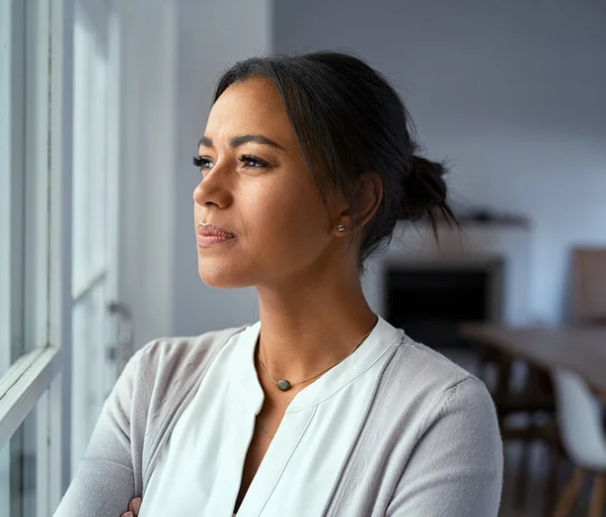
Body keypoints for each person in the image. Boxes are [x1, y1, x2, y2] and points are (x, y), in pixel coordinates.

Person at [54, 51, 503, 517]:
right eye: (205, 160)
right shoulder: (155, 380)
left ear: (353, 202)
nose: (205, 190)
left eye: (251, 161)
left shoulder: (442, 417)